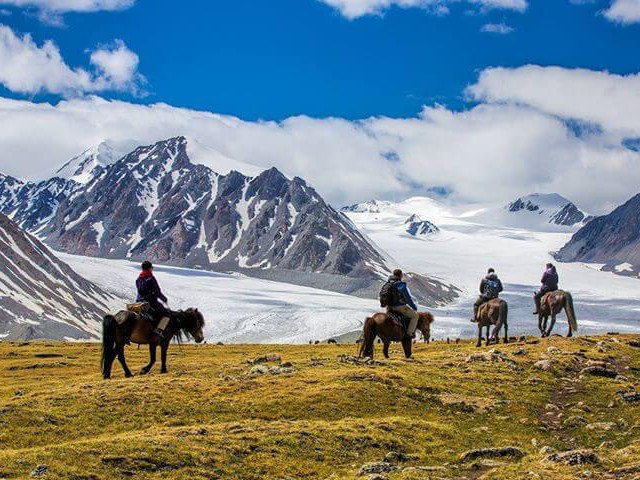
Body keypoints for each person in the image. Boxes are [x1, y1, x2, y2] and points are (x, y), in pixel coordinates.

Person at [380, 269, 419, 340]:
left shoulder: (388, 283)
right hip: (400, 307)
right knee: (415, 316)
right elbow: (408, 298)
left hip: (389, 308)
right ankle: (409, 333)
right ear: (401, 275)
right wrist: (414, 307)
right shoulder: (401, 285)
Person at [136, 261, 170, 341]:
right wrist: (164, 299)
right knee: (166, 314)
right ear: (149, 268)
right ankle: (158, 331)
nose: (152, 269)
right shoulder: (151, 278)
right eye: (152, 268)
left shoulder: (138, 279)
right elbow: (157, 291)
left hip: (139, 302)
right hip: (150, 302)